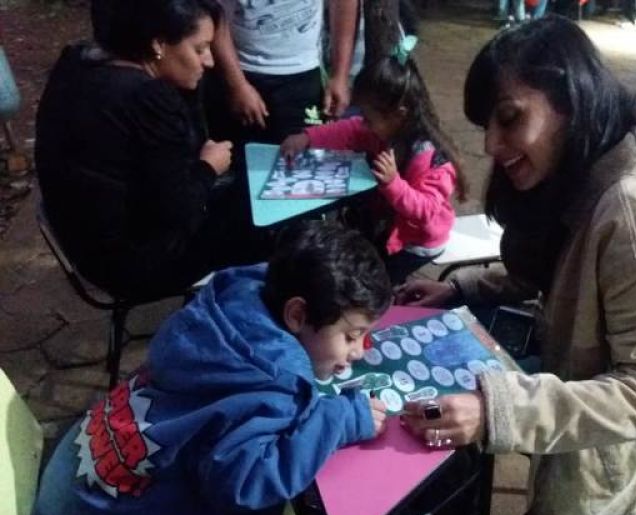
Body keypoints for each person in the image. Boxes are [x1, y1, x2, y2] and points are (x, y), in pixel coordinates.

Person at [395, 16, 636, 515]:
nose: (491, 145)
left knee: (453, 395)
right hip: (571, 357)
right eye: (487, 126)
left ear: (570, 100)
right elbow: (563, 270)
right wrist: (463, 290)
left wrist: (498, 411)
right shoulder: (589, 160)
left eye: (509, 118)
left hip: (627, 440)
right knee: (445, 364)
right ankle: (451, 513)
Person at [32, 220, 392, 515]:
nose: (359, 351)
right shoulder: (268, 383)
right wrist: (340, 419)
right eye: (351, 336)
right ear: (297, 315)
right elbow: (246, 484)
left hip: (72, 500)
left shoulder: (231, 308)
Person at [37, 0, 271, 302]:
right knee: (265, 221)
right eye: (199, 48)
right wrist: (209, 166)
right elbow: (178, 210)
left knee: (241, 196)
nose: (210, 61)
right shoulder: (146, 99)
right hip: (134, 264)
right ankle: (240, 316)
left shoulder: (76, 63)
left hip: (84, 245)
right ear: (158, 44)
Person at [280, 38, 467, 285]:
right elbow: (349, 130)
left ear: (399, 115)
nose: (364, 124)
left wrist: (393, 184)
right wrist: (307, 138)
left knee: (375, 282)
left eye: (369, 118)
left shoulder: (432, 159)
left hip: (416, 242)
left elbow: (426, 211)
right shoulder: (382, 129)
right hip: (388, 226)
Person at [208, 0, 359, 145]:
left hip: (304, 74)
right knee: (239, 155)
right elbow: (214, 11)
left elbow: (344, 3)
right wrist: (237, 85)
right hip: (241, 71)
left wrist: (340, 76)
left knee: (302, 154)